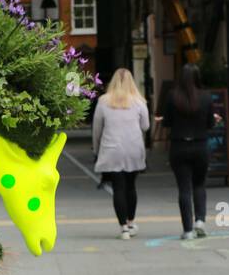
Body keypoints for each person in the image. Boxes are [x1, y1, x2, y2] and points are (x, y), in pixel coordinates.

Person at [160, 64, 217, 240]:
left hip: (179, 146)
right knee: (199, 184)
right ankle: (200, 220)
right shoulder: (206, 97)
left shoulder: (172, 97)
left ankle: (188, 230)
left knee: (184, 188)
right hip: (200, 146)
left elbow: (166, 122)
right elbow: (210, 124)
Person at [92, 67, 149, 239]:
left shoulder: (103, 101)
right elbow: (145, 126)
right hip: (133, 149)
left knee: (118, 188)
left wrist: (96, 150)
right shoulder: (139, 102)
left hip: (111, 149)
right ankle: (131, 222)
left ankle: (123, 227)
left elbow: (97, 129)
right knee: (131, 187)